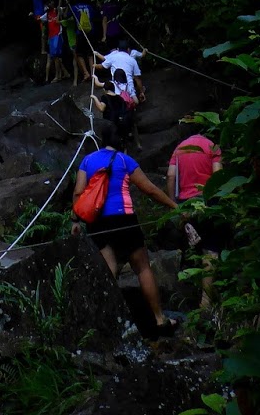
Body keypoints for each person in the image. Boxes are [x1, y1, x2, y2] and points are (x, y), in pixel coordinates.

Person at [71, 128, 180, 335]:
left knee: (108, 269)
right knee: (142, 268)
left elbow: (78, 192)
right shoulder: (124, 160)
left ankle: (106, 324)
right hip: (124, 218)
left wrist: (75, 220)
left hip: (98, 221)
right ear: (122, 143)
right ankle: (159, 319)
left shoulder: (87, 161)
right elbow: (149, 189)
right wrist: (174, 206)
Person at [168, 128, 227, 308]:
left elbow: (171, 176)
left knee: (194, 245)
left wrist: (174, 206)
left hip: (186, 203)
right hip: (207, 200)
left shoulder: (179, 149)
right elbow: (217, 175)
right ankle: (206, 300)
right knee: (211, 248)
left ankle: (193, 293)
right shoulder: (212, 146)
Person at [42, 0, 68, 84]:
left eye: (50, 2)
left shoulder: (57, 10)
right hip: (51, 37)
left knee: (56, 57)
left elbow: (62, 7)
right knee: (55, 57)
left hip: (57, 35)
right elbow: (39, 19)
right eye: (48, 3)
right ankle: (62, 74)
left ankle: (58, 76)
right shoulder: (47, 14)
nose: (49, 4)